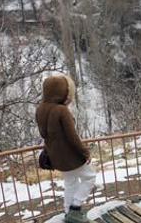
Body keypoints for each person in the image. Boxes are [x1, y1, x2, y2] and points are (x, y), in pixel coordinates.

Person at [36, 75, 96, 223]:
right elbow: (72, 136)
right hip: (71, 157)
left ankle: (68, 212)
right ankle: (75, 207)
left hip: (57, 157)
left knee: (70, 182)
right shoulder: (62, 111)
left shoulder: (40, 109)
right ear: (62, 93)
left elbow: (44, 135)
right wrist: (85, 152)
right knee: (90, 177)